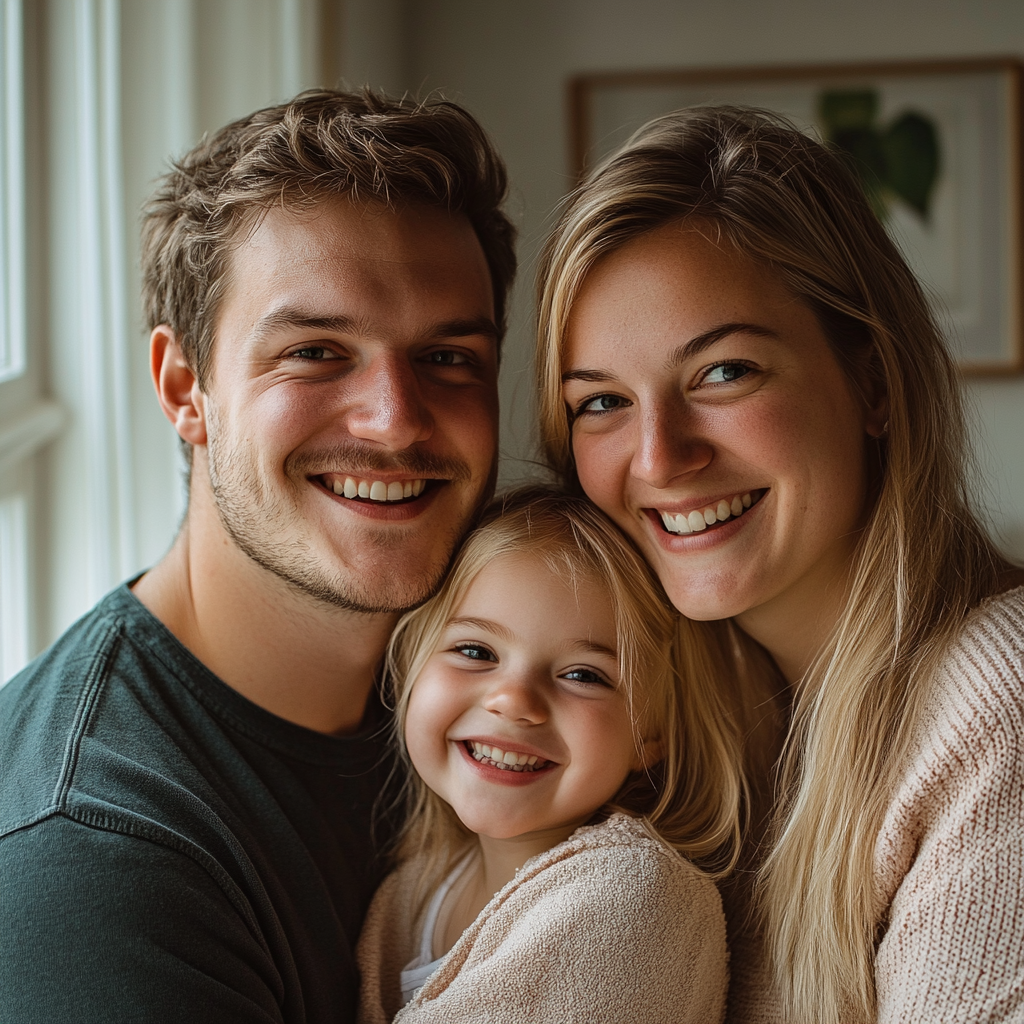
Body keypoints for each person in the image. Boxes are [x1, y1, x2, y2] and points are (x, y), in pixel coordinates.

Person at [0, 90, 515, 1024]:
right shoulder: (96, 864)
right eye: (317, 352)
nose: (396, 421)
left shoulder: (497, 674)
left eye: (447, 358)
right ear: (184, 386)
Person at [536, 107, 1024, 1023]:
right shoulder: (671, 730)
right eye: (601, 400)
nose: (658, 457)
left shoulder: (1002, 706)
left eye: (724, 373)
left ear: (874, 380)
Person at [356, 488, 741, 1023]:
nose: (514, 701)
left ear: (651, 735)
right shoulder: (409, 894)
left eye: (584, 675)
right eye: (476, 652)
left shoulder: (632, 897)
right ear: (412, 669)